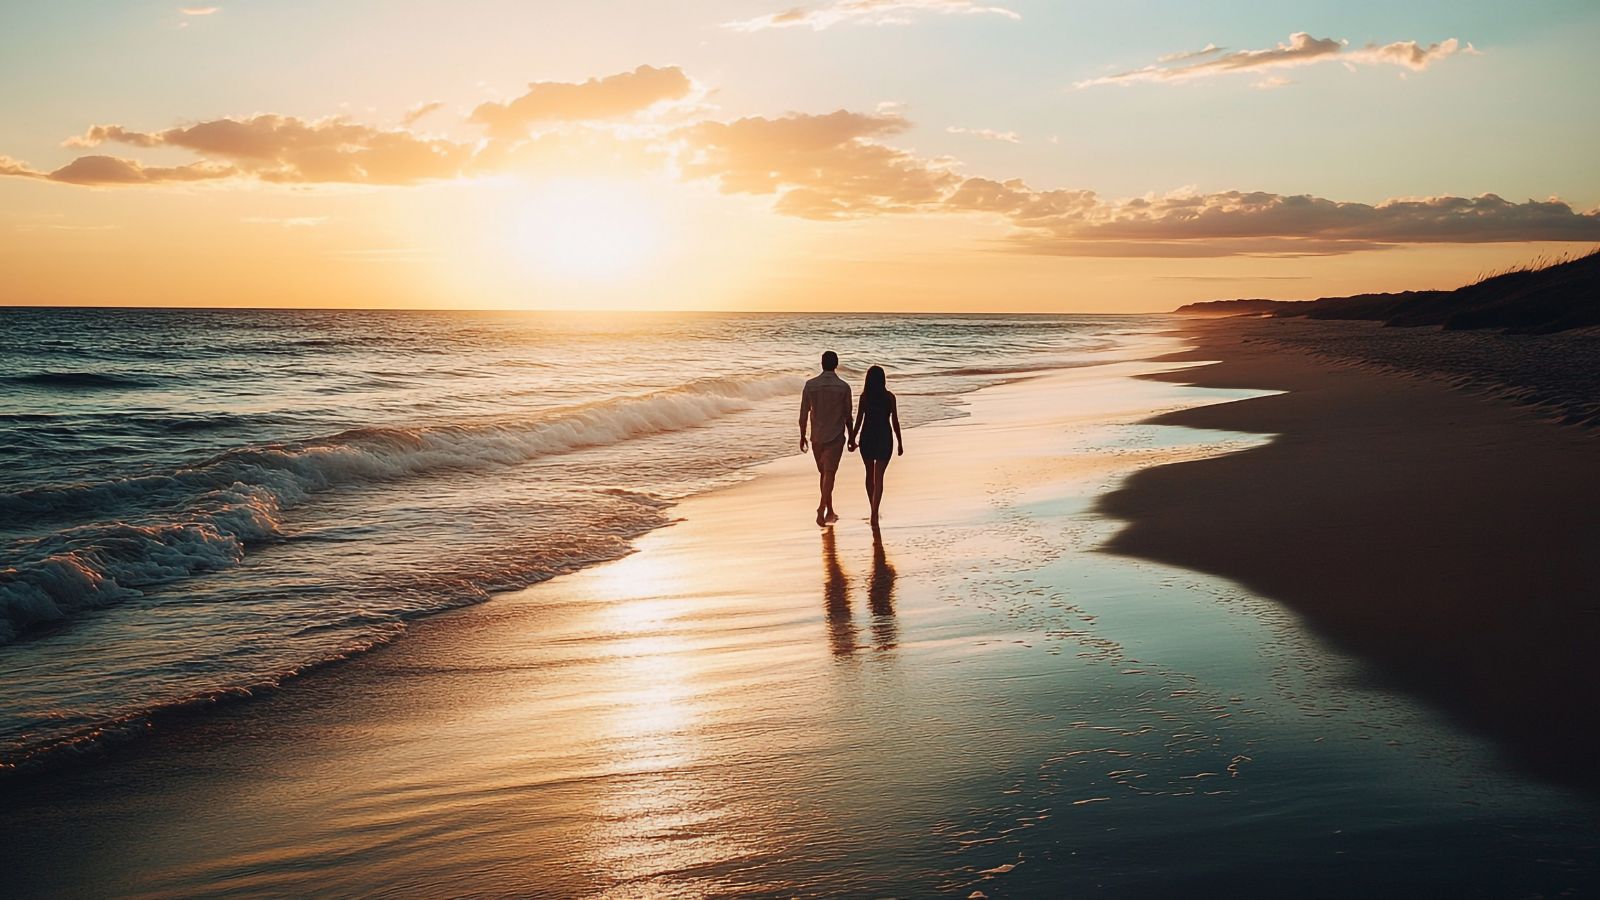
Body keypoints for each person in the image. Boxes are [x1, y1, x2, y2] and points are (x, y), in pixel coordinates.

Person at [799, 350, 852, 527]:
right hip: (835, 435)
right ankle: (822, 508)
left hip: (817, 437)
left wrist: (802, 435)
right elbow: (848, 415)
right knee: (829, 474)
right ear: (836, 365)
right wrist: (851, 436)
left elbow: (803, 413)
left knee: (825, 473)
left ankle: (829, 509)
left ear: (821, 364)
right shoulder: (843, 387)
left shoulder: (810, 385)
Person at [848, 365, 903, 527]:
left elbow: (858, 420)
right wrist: (900, 442)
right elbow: (895, 421)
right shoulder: (889, 397)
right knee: (879, 478)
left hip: (867, 437)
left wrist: (852, 438)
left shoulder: (864, 397)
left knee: (869, 474)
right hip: (884, 437)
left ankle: (872, 509)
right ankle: (874, 511)